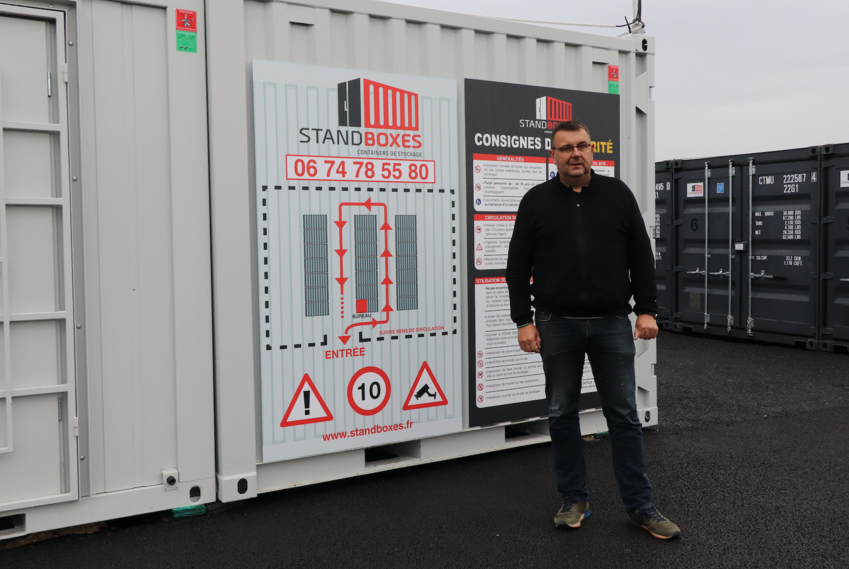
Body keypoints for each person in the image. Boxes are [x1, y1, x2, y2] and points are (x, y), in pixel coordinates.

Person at [505, 120, 680, 540]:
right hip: (556, 324)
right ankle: (574, 499)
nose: (575, 153)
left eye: (582, 145)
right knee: (561, 413)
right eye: (566, 147)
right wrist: (523, 320)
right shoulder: (536, 201)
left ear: (591, 150)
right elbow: (517, 265)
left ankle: (640, 506)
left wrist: (647, 311)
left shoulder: (617, 194)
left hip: (611, 323)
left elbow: (641, 257)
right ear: (553, 155)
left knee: (624, 415)